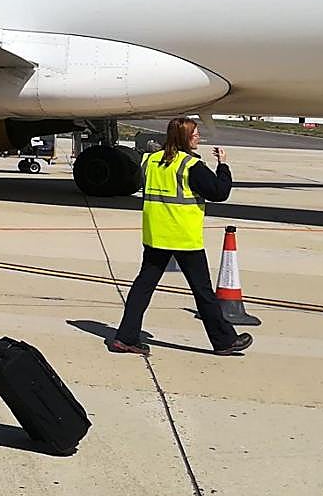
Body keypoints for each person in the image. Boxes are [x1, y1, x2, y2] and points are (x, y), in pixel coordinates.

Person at [109, 117, 254, 356]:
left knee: (142, 287)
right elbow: (219, 192)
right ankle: (224, 341)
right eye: (195, 133)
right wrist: (224, 166)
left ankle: (125, 337)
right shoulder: (190, 165)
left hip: (156, 235)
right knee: (203, 292)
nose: (198, 137)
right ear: (185, 137)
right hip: (184, 238)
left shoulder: (151, 161)